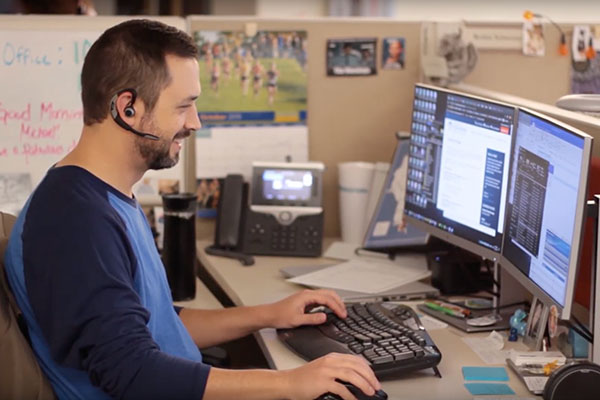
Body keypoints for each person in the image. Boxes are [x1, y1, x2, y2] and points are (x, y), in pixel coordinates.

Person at [3, 19, 380, 400]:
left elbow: (156, 325)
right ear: (127, 108)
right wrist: (289, 383)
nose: (195, 122)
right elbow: (132, 372)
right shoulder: (75, 220)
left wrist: (269, 315)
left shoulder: (106, 197)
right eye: (183, 107)